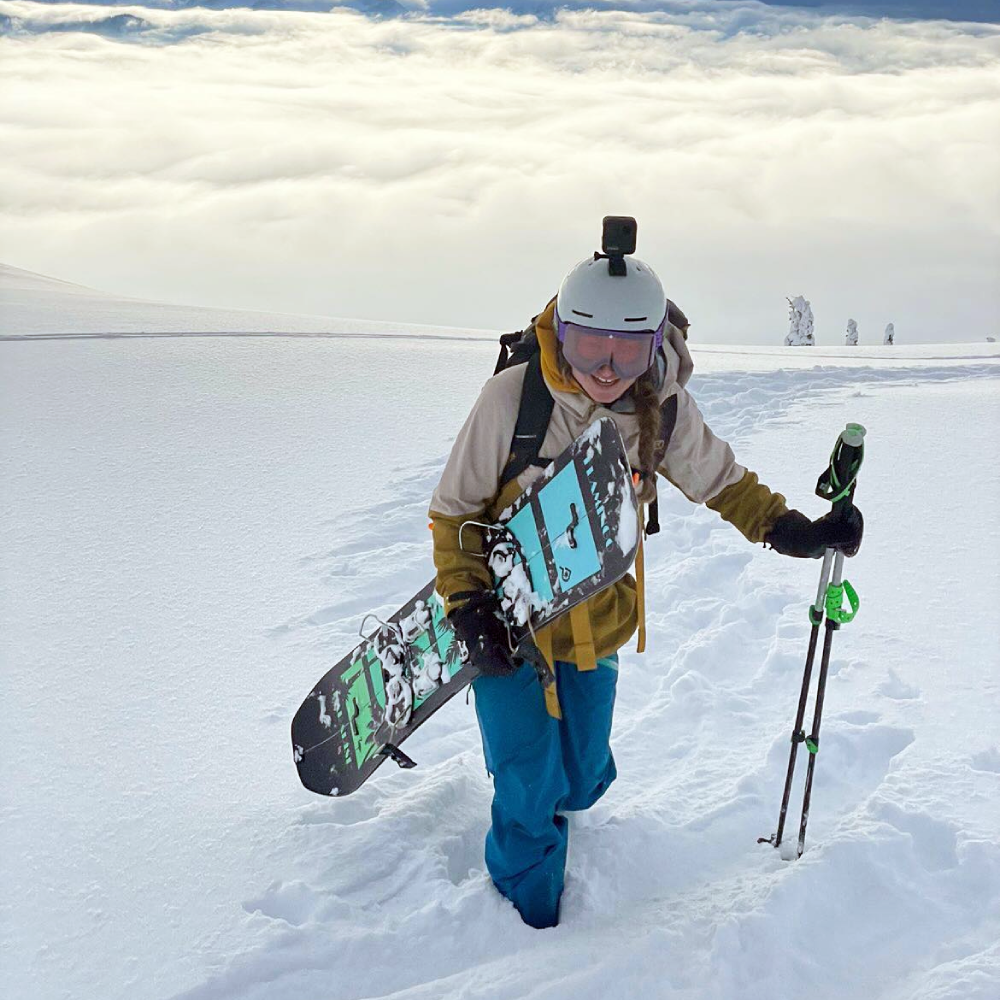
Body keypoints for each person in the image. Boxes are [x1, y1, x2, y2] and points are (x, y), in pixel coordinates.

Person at [428, 232, 863, 929]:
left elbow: (721, 481)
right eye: (590, 346)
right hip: (502, 623)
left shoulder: (658, 407)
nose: (608, 367)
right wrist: (468, 604)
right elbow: (453, 513)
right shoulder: (514, 400)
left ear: (654, 344)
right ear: (561, 336)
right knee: (529, 780)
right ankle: (527, 919)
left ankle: (558, 806)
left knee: (582, 771)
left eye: (628, 350)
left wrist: (792, 531)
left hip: (594, 611)